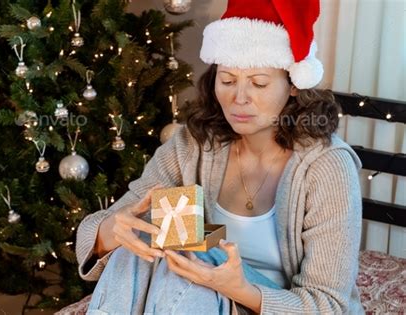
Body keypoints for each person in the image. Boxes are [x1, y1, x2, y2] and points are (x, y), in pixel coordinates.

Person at [76, 0, 364, 313]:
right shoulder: (193, 145)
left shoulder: (327, 167)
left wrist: (238, 289)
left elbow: (331, 305)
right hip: (193, 297)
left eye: (259, 83)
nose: (239, 98)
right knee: (136, 246)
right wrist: (112, 232)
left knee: (191, 268)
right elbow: (97, 237)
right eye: (227, 80)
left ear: (293, 85)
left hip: (267, 304)